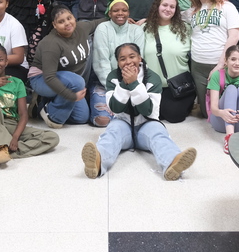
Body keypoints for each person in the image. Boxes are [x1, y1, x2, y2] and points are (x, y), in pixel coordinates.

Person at [81, 43, 197, 180]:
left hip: (147, 124)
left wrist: (134, 84)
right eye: (122, 59)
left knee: (159, 134)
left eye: (132, 57)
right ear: (118, 62)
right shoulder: (113, 77)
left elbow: (147, 110)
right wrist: (124, 84)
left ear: (140, 58)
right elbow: (115, 108)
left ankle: (172, 162)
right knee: (112, 132)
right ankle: (97, 162)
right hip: (123, 124)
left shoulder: (153, 78)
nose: (128, 62)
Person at [0, 41, 59, 166]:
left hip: (11, 125)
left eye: (0, 60)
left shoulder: (17, 82)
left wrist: (15, 137)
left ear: (6, 62)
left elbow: (23, 114)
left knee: (51, 138)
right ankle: (0, 147)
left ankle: (1, 149)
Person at [28, 3, 104, 128]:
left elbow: (97, 23)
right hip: (42, 78)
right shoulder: (51, 43)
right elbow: (50, 77)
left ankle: (43, 103)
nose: (67, 23)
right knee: (77, 82)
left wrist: (118, 17)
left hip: (67, 80)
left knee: (81, 118)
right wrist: (71, 96)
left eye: (69, 18)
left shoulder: (81, 28)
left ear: (74, 17)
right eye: (61, 21)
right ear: (54, 25)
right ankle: (53, 116)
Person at [187, 0, 239, 114]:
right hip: (198, 66)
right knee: (207, 113)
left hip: (220, 63)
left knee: (227, 109)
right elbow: (169, 16)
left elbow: (234, 37)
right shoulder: (191, 11)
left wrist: (221, 64)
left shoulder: (227, 7)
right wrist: (146, 19)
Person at [90, 0, 144, 127]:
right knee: (102, 120)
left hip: (131, 81)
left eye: (124, 10)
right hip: (106, 83)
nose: (120, 13)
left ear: (128, 13)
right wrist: (115, 88)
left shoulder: (136, 30)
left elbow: (137, 61)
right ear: (109, 13)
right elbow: (101, 62)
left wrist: (129, 85)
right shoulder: (103, 28)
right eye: (115, 11)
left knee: (139, 117)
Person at [142, 0, 194, 122]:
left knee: (174, 116)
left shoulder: (185, 28)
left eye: (172, 7)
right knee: (149, 114)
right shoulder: (144, 28)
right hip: (153, 86)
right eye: (164, 5)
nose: (168, 9)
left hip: (180, 85)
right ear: (157, 6)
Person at [206, 45, 239, 154]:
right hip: (221, 120)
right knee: (231, 88)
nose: (237, 63)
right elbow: (213, 108)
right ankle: (229, 137)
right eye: (233, 59)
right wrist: (222, 113)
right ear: (226, 61)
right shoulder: (217, 75)